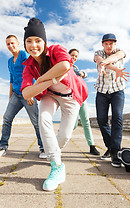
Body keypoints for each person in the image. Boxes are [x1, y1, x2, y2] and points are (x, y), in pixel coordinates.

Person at [21, 18, 88, 191]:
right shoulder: (28, 65)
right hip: (49, 95)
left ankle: (53, 152)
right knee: (43, 119)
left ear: (44, 42)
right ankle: (57, 167)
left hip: (70, 96)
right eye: (28, 41)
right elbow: (26, 93)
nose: (33, 45)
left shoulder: (56, 49)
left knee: (65, 136)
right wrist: (50, 80)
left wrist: (41, 80)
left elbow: (65, 65)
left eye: (38, 40)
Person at [0, 35, 46, 159]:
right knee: (7, 118)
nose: (11, 46)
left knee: (36, 122)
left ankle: (43, 148)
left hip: (27, 93)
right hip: (16, 94)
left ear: (18, 43)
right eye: (8, 44)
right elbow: (11, 80)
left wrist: (30, 93)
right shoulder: (10, 61)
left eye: (12, 43)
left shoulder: (24, 55)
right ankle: (2, 147)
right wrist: (10, 98)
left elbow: (29, 73)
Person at [93, 33, 129, 168]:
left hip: (117, 90)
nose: (109, 46)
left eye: (111, 43)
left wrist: (104, 63)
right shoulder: (98, 53)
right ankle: (110, 146)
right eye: (106, 43)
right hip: (101, 91)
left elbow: (116, 57)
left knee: (117, 118)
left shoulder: (120, 52)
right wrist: (109, 65)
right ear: (103, 44)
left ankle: (115, 151)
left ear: (115, 44)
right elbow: (98, 59)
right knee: (101, 120)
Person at [68, 48, 100, 155]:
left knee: (86, 122)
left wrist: (84, 73)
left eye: (76, 56)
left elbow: (82, 74)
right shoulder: (65, 66)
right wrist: (81, 73)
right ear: (68, 55)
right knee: (73, 125)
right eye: (72, 55)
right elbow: (74, 73)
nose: (74, 58)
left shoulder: (76, 67)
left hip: (82, 98)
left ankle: (92, 146)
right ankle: (58, 138)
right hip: (71, 99)